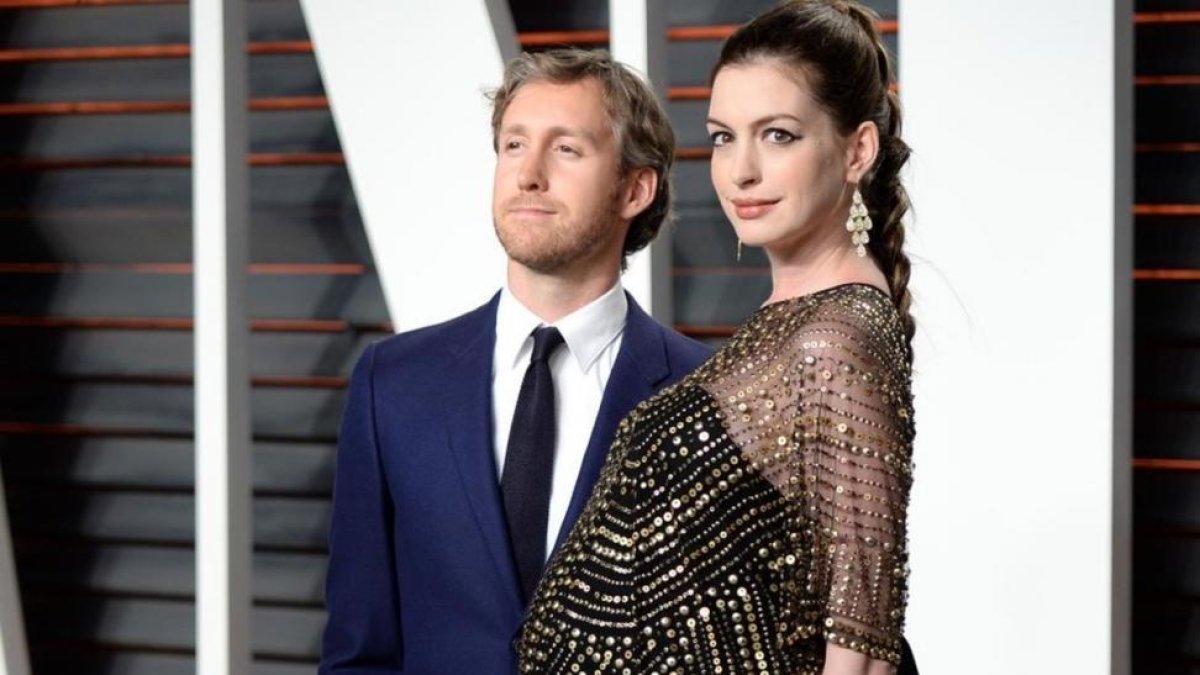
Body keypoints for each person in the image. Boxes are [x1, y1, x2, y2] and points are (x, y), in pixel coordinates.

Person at [517, 1, 918, 673]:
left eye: (779, 135)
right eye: (724, 136)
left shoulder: (839, 338)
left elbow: (863, 639)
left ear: (858, 150)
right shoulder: (794, 320)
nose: (741, 172)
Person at [319, 48, 712, 674]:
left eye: (566, 149)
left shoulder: (708, 397)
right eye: (513, 145)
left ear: (636, 189)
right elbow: (358, 652)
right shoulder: (391, 384)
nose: (528, 174)